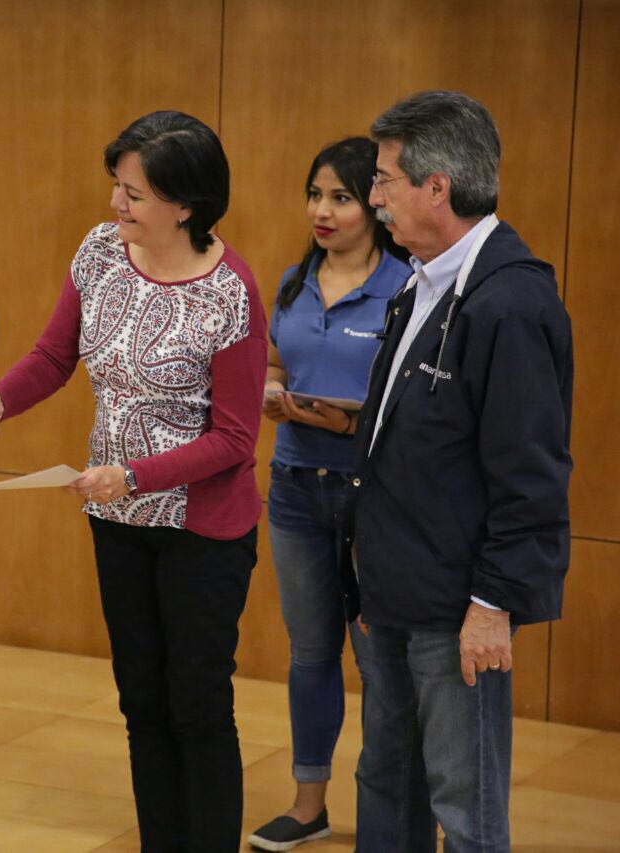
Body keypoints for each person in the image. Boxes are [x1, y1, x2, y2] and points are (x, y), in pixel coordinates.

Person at [0, 110, 267, 852]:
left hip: (201, 530)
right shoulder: (101, 251)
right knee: (142, 701)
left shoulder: (231, 293)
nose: (114, 205)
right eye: (116, 187)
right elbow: (54, 355)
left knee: (197, 705)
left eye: (133, 194)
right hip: (118, 520)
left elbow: (235, 438)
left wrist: (133, 475)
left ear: (184, 205)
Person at [347, 91, 573, 852]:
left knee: (465, 806)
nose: (374, 198)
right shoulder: (421, 280)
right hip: (393, 589)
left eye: (384, 180)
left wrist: (492, 603)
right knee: (386, 785)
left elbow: (530, 475)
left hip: (457, 606)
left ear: (436, 187)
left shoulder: (511, 304)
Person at [247, 138, 411, 852]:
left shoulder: (407, 286)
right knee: (311, 653)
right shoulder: (295, 280)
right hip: (295, 488)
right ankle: (308, 804)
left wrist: (346, 419)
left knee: (379, 662)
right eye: (315, 195)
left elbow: (412, 404)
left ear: (374, 204)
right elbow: (275, 361)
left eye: (340, 197)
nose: (322, 210)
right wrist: (273, 392)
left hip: (375, 495)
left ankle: (389, 817)